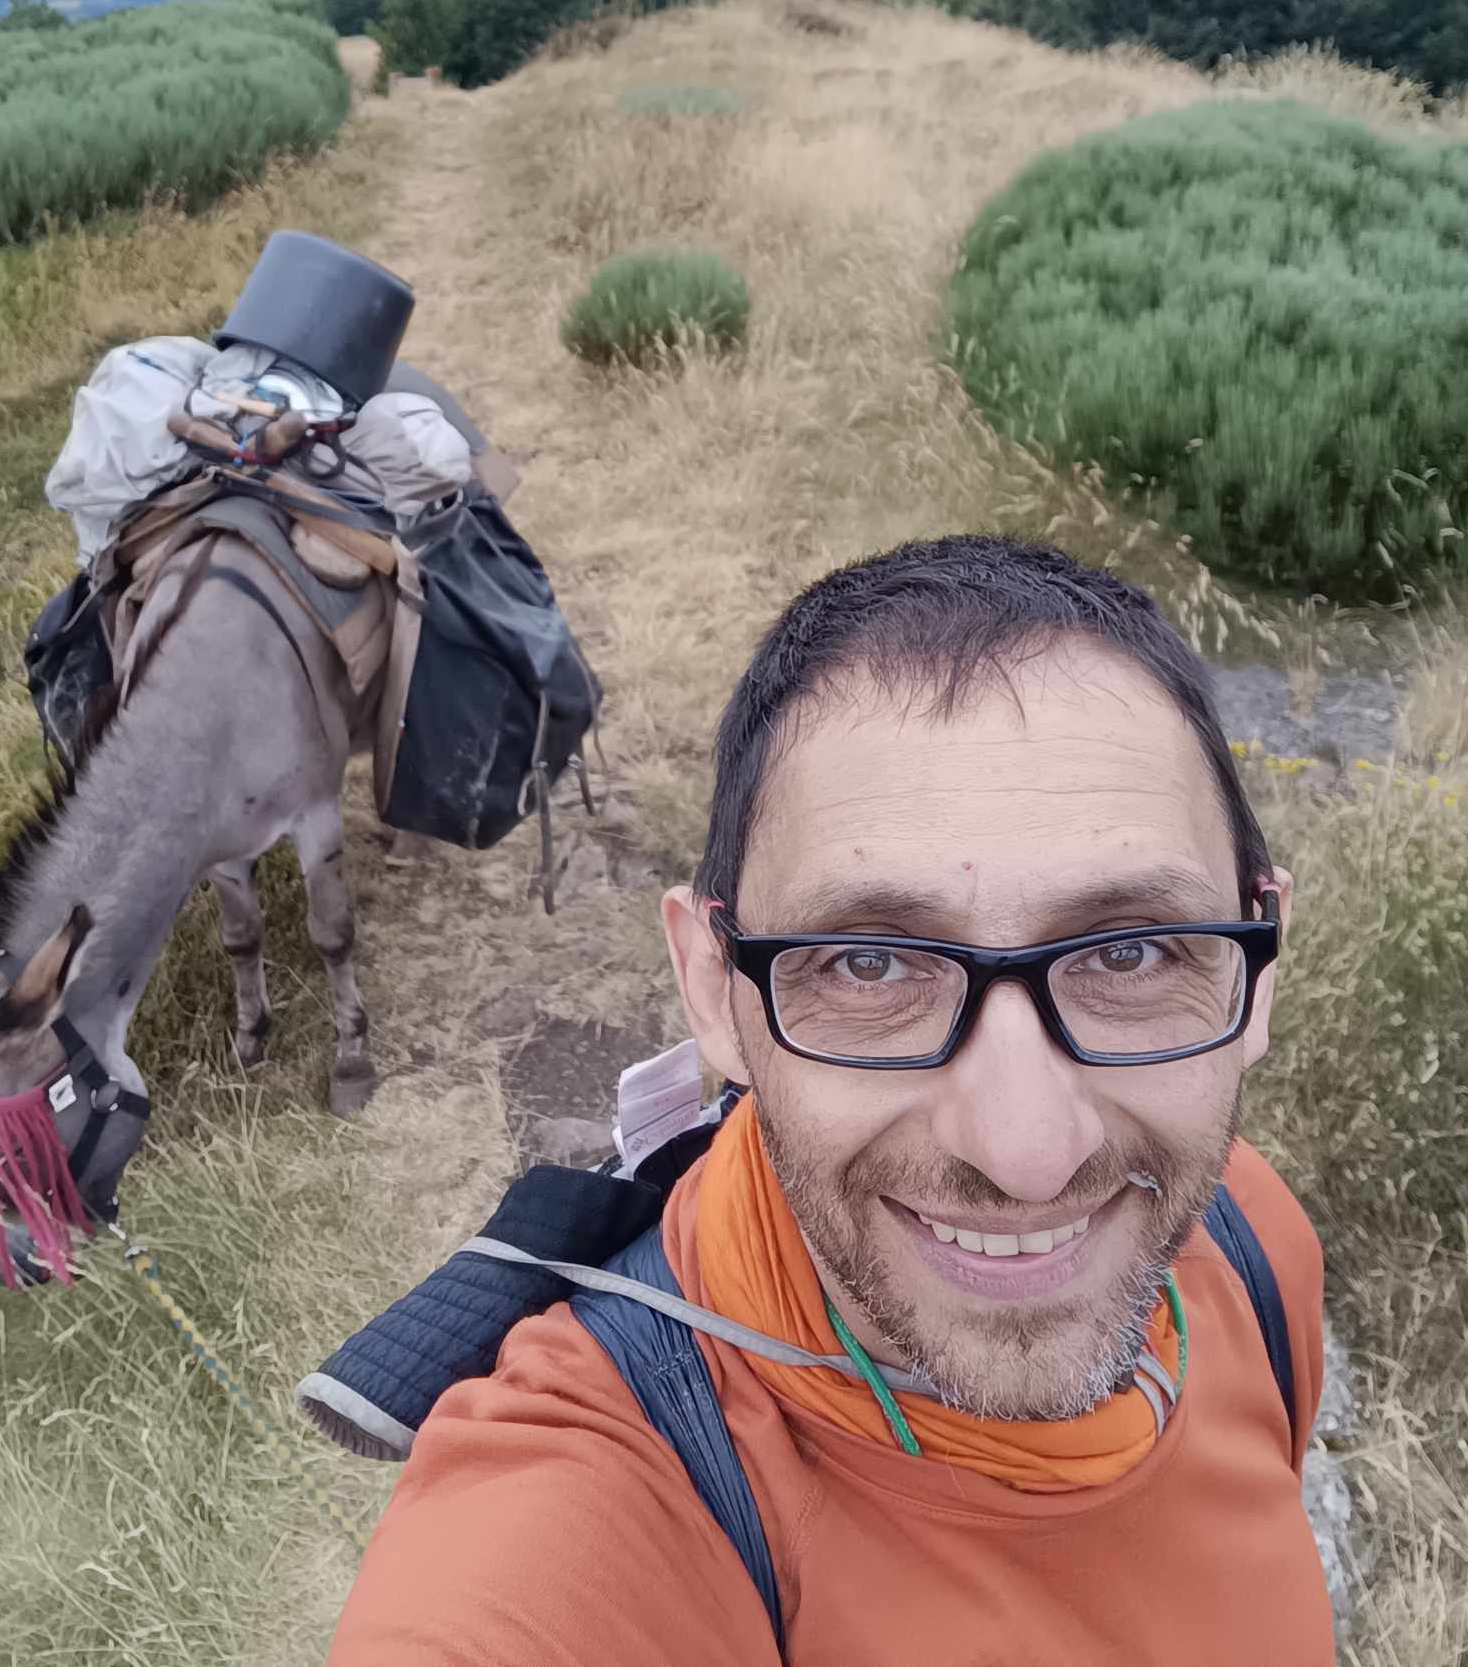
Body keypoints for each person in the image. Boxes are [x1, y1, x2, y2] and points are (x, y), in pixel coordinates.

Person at [328, 535, 1332, 1663]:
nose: (1029, 1154)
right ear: (714, 989)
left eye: (1132, 951)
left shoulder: (1251, 1238)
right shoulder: (580, 1520)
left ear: (1258, 971)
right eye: (868, 963)